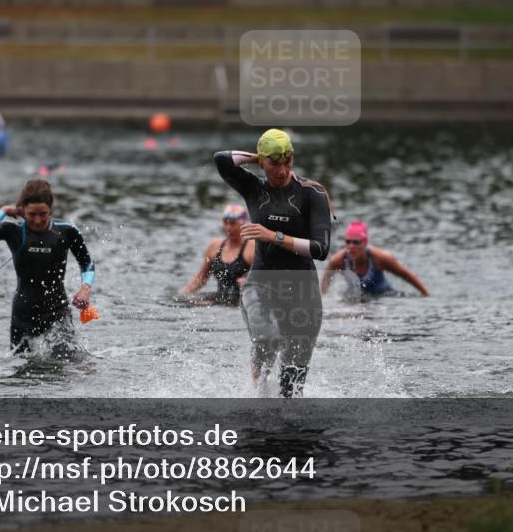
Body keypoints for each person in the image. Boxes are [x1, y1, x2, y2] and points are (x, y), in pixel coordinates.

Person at [214, 129, 332, 398]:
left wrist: (274, 237)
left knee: (291, 391)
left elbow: (321, 249)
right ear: (263, 162)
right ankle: (255, 392)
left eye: (287, 162)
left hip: (303, 292)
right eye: (274, 163)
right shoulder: (254, 188)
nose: (282, 170)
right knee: (267, 339)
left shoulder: (311, 193)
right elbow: (221, 159)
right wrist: (257, 158)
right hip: (261, 284)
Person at [0, 179, 95, 355]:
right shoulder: (13, 231)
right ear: (22, 210)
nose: (37, 220)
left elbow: (87, 262)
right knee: (21, 370)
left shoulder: (66, 231)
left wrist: (85, 288)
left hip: (57, 311)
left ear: (50, 210)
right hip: (23, 313)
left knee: (65, 363)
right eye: (31, 214)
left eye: (43, 214)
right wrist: (4, 210)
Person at [321, 221, 429, 299]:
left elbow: (406, 275)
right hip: (356, 297)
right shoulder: (337, 260)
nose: (351, 246)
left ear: (365, 242)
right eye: (348, 242)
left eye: (356, 242)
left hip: (384, 296)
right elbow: (324, 286)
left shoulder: (379, 258)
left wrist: (425, 295)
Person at [178, 203, 256, 305]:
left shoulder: (252, 248)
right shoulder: (214, 246)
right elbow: (201, 277)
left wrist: (251, 283)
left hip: (242, 302)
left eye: (233, 223)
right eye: (225, 223)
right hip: (221, 300)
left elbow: (267, 279)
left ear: (243, 224)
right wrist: (181, 296)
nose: (228, 227)